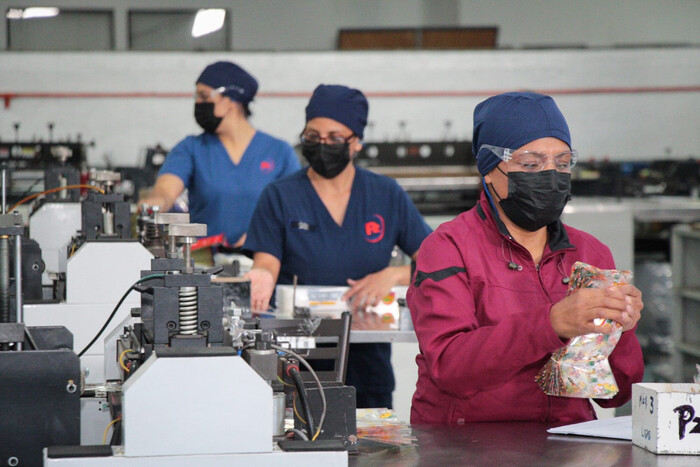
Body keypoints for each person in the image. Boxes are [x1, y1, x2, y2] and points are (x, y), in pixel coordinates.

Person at [407, 92, 644, 425]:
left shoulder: (590, 253)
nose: (550, 175)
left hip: (566, 442)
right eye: (531, 164)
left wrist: (621, 332)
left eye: (562, 164)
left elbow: (618, 392)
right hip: (464, 445)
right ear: (489, 170)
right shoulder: (448, 247)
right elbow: (449, 366)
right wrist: (550, 323)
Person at [243, 84, 432, 408]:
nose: (322, 145)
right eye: (312, 136)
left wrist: (394, 275)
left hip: (368, 366)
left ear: (356, 142)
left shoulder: (385, 195)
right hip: (297, 363)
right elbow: (267, 262)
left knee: (371, 455)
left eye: (334, 138)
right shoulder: (281, 195)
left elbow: (439, 261)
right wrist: (259, 276)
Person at [139, 61, 300, 248]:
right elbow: (166, 191)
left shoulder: (279, 152)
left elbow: (294, 212)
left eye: (204, 96)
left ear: (230, 99)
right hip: (203, 265)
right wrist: (151, 206)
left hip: (263, 264)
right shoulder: (191, 148)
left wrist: (262, 237)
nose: (198, 103)